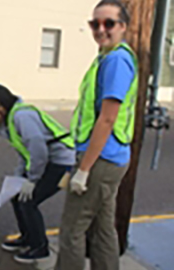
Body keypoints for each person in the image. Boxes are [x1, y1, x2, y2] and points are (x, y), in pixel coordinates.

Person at [55, 1, 138, 270]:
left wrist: (84, 170)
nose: (101, 29)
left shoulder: (115, 60)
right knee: (103, 228)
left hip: (101, 159)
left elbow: (107, 118)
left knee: (72, 230)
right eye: (95, 23)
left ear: (123, 27)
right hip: (110, 158)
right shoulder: (108, 56)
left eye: (109, 23)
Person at [0, 85, 75, 263]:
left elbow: (39, 151)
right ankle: (28, 238)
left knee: (29, 201)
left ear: (7, 102)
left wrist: (32, 180)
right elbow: (25, 154)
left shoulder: (21, 116)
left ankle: (40, 248)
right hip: (48, 162)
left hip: (65, 165)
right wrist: (18, 179)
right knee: (17, 196)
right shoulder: (7, 123)